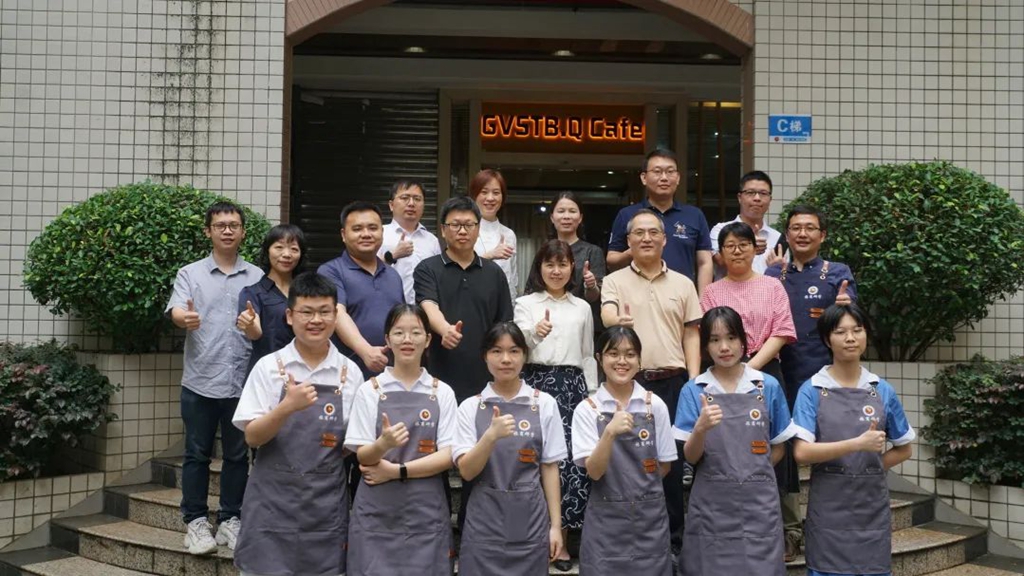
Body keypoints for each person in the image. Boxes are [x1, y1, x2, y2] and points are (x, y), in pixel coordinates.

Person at [231, 272, 364, 576]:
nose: (315, 320)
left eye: (324, 312)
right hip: (271, 503)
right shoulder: (269, 367)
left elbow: (351, 444)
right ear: (290, 316)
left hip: (325, 505)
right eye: (306, 312)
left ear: (336, 315)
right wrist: (286, 407)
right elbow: (252, 437)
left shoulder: (350, 373)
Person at [600, 208, 702, 555]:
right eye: (638, 233)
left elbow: (691, 333)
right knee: (625, 462)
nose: (646, 238)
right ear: (628, 241)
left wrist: (693, 380)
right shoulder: (614, 280)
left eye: (653, 232)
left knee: (670, 465)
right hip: (629, 386)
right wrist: (619, 320)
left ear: (665, 239)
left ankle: (673, 544)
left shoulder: (683, 283)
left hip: (673, 384)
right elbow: (607, 313)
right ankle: (627, 537)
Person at [698, 220, 800, 558]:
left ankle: (787, 530)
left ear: (754, 248)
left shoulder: (772, 286)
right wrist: (735, 369)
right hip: (723, 374)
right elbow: (709, 337)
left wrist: (750, 369)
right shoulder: (712, 292)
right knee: (730, 445)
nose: (737, 250)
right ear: (720, 253)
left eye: (743, 244)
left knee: (775, 445)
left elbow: (782, 331)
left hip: (765, 369)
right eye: (730, 246)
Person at [166, 201, 261, 555]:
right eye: (220, 225)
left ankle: (230, 519)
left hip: (241, 382)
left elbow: (262, 326)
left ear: (243, 232)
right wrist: (183, 318)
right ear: (208, 231)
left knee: (237, 455)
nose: (227, 230)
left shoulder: (257, 276)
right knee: (196, 454)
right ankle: (195, 522)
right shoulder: (190, 273)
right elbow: (177, 309)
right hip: (201, 380)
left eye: (233, 225)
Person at [792, 303, 915, 576]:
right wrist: (857, 445)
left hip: (870, 507)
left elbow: (905, 449)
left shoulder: (882, 390)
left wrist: (869, 465)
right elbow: (801, 453)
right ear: (827, 340)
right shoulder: (811, 390)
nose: (850, 338)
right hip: (829, 508)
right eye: (840, 332)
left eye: (857, 330)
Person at [673, 306, 795, 576]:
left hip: (759, 502)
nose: (724, 347)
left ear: (743, 340)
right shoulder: (694, 390)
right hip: (712, 504)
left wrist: (755, 471)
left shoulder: (767, 386)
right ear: (705, 347)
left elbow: (779, 446)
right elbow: (690, 457)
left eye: (731, 337)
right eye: (714, 340)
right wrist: (700, 429)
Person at [345, 303, 458, 575]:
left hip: (425, 511)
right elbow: (363, 455)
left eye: (416, 332)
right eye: (399, 332)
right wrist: (382, 444)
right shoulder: (369, 391)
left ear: (428, 340)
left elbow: (448, 455)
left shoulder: (442, 392)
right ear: (387, 339)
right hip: (376, 511)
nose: (407, 339)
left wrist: (397, 471)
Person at [453, 322, 567, 575]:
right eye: (496, 351)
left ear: (525, 356)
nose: (506, 359)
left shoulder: (544, 403)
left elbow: (550, 467)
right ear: (485, 356)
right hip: (484, 525)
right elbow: (467, 471)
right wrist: (490, 437)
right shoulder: (470, 407)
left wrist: (555, 527)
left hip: (530, 523)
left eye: (514, 351)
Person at [514, 239, 596, 570]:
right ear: (540, 268)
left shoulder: (582, 307)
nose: (556, 270)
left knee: (567, 463)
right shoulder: (525, 304)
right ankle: (532, 537)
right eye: (550, 264)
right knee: (532, 457)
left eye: (562, 264)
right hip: (535, 383)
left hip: (573, 387)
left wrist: (592, 395)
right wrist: (535, 332)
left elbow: (588, 354)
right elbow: (516, 348)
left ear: (572, 267)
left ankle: (560, 539)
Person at [571, 326, 676, 575]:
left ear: (639, 360)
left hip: (650, 520)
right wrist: (609, 432)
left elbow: (665, 465)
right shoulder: (587, 409)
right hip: (606, 523)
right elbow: (594, 472)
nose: (622, 361)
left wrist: (639, 492)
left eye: (630, 354)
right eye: (613, 354)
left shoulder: (654, 405)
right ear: (600, 358)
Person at [414, 195, 514, 402]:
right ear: (443, 230)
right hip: (438, 376)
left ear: (478, 229)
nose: (462, 231)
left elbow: (504, 325)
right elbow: (428, 305)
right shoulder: (427, 269)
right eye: (455, 225)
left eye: (469, 225)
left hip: (486, 379)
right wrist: (445, 329)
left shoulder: (494, 273)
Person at [765, 205, 857, 399]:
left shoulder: (838, 272)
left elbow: (851, 316)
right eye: (796, 228)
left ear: (822, 235)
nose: (802, 234)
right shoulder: (773, 274)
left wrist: (846, 307)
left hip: (825, 368)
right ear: (787, 235)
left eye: (810, 228)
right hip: (780, 369)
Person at [318, 200, 404, 378]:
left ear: (382, 232)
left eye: (373, 228)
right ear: (344, 234)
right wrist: (365, 351)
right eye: (357, 229)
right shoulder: (331, 271)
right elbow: (337, 313)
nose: (366, 234)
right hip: (346, 375)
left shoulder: (393, 275)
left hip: (390, 375)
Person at [607, 148, 713, 293]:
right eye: (657, 171)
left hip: (681, 296)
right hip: (636, 296)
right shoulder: (627, 215)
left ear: (678, 178)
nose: (664, 178)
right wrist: (633, 251)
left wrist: (702, 300)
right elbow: (611, 261)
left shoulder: (695, 215)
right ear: (644, 178)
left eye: (670, 172)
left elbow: (704, 262)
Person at [237, 224, 306, 379]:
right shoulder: (252, 293)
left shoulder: (307, 291)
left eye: (294, 249)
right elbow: (255, 333)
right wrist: (249, 324)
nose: (286, 254)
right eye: (279, 247)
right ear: (267, 251)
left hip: (305, 372)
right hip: (267, 374)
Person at [378, 180, 442, 305]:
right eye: (405, 198)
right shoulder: (380, 234)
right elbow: (364, 271)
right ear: (391, 205)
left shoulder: (432, 240)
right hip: (386, 308)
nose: (411, 203)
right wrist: (392, 255)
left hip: (424, 311)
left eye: (417, 199)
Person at [710, 170, 783, 279]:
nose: (757, 198)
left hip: (766, 290)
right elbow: (720, 260)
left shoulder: (777, 238)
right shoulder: (720, 229)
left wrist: (778, 269)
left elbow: (785, 275)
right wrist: (749, 246)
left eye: (763, 193)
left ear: (770, 200)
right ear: (739, 198)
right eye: (750, 193)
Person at [549, 191, 605, 308]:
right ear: (552, 218)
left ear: (580, 218)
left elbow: (596, 297)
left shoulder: (593, 251)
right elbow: (532, 288)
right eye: (561, 211)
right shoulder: (545, 251)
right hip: (549, 314)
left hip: (583, 315)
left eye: (572, 211)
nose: (566, 216)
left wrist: (591, 286)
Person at [471, 169, 518, 301]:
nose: (490, 198)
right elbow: (457, 272)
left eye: (496, 193)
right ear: (474, 196)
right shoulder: (465, 230)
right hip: (472, 301)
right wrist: (490, 255)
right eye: (484, 192)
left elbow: (513, 280)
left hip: (502, 304)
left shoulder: (509, 234)